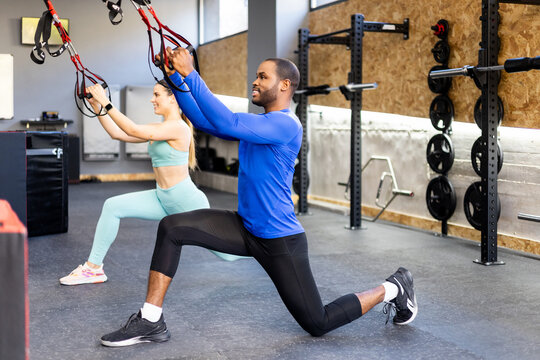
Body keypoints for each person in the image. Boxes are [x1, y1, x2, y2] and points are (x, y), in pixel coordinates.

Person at [100, 49, 417, 346]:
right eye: (256, 75)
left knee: (317, 323)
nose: (255, 80)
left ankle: (392, 287)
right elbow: (203, 121)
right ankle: (151, 320)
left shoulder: (285, 125)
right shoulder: (259, 124)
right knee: (172, 228)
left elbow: (227, 121)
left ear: (284, 85)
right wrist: (177, 79)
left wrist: (191, 74)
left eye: (263, 77)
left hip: (280, 240)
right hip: (244, 227)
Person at [59, 80, 243, 286]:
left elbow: (133, 129)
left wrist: (106, 101)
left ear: (173, 97)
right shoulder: (161, 127)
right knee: (112, 206)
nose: (151, 99)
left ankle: (268, 253)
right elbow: (118, 133)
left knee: (227, 255)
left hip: (184, 200)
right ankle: (93, 269)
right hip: (162, 198)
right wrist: (97, 107)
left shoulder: (178, 128)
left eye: (157, 95)